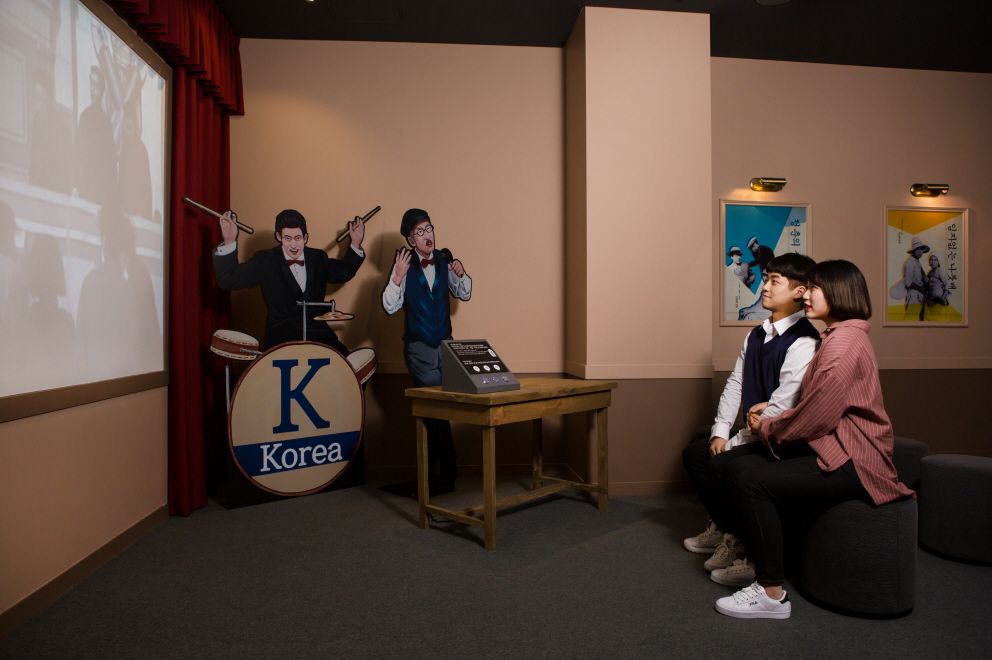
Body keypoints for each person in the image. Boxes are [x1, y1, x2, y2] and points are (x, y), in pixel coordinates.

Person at [713, 259, 914, 620]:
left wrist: (765, 427)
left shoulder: (843, 343)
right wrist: (769, 413)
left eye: (815, 288)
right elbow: (817, 402)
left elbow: (816, 416)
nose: (806, 295)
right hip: (836, 450)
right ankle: (757, 560)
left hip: (855, 463)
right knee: (740, 469)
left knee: (752, 481)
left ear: (838, 292)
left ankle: (771, 592)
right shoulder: (838, 336)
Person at [682, 253, 819, 587]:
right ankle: (726, 530)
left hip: (780, 439)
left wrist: (734, 442)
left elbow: (782, 406)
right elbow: (736, 383)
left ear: (800, 291)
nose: (765, 287)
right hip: (753, 432)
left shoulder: (805, 341)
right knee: (696, 454)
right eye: (766, 279)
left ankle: (740, 542)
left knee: (723, 463)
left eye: (774, 281)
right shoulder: (755, 334)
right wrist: (720, 432)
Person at [382, 208, 472, 495]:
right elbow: (389, 306)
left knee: (438, 410)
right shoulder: (403, 265)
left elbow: (465, 293)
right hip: (420, 349)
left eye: (429, 229)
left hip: (446, 346)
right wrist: (397, 277)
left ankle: (435, 474)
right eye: (419, 232)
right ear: (411, 240)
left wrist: (461, 274)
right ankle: (448, 471)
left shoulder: (444, 259)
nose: (426, 236)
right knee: (435, 409)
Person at [213, 208, 365, 353]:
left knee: (348, 365)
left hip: (318, 335)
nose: (293, 245)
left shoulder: (318, 258)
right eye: (287, 238)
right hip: (280, 338)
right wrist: (229, 240)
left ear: (305, 237)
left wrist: (355, 243)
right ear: (279, 237)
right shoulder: (266, 260)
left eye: (298, 238)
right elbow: (229, 279)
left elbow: (343, 272)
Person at [899, 237, 929, 306]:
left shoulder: (917, 261)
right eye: (917, 249)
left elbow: (924, 278)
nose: (920, 252)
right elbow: (908, 283)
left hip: (920, 296)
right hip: (913, 297)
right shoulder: (909, 263)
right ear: (913, 251)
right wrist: (921, 288)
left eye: (921, 249)